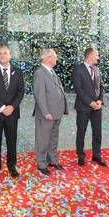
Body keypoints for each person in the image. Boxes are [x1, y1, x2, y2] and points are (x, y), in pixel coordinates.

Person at [0, 44, 25, 182]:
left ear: (10, 55)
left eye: (5, 53)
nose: (2, 55)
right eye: (0, 53)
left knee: (12, 141)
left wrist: (12, 107)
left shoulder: (18, 72)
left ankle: (12, 167)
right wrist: (2, 107)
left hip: (12, 113)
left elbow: (21, 92)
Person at [33, 48, 67, 176]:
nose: (56, 59)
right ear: (48, 58)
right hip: (47, 114)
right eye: (55, 56)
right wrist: (45, 111)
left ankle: (52, 160)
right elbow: (39, 95)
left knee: (53, 138)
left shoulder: (51, 71)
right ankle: (41, 164)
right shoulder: (40, 73)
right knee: (43, 139)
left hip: (56, 112)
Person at [73, 47, 107, 167]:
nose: (98, 57)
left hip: (97, 107)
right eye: (96, 55)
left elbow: (101, 87)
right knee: (81, 131)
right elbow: (79, 89)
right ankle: (80, 156)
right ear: (90, 55)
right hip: (83, 107)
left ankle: (96, 155)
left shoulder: (97, 69)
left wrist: (100, 101)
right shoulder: (78, 69)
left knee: (97, 132)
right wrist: (90, 102)